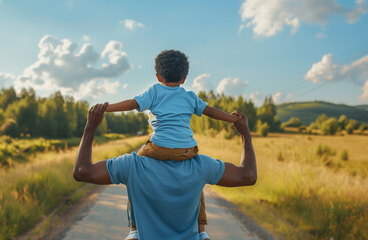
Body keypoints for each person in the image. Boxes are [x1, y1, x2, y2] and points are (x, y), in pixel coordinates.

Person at [105, 50, 239, 240]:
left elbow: (132, 104)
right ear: (184, 78)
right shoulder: (190, 96)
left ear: (158, 76)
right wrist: (232, 119)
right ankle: (202, 232)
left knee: (134, 174)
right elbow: (210, 111)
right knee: (197, 184)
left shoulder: (154, 91)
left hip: (158, 148)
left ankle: (134, 228)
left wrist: (107, 108)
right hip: (188, 150)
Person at [73, 102, 257, 240]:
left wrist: (90, 127)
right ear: (185, 124)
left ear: (153, 123)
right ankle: (202, 234)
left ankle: (134, 230)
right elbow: (248, 176)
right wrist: (245, 134)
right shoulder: (201, 166)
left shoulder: (132, 165)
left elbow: (82, 172)